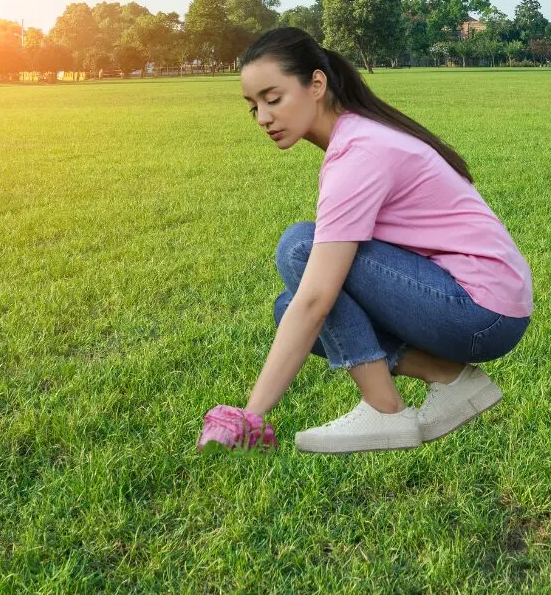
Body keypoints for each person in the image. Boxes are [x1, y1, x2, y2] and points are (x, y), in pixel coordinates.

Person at [198, 27, 533, 454]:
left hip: (480, 310)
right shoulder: (359, 135)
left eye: (273, 98)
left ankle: (384, 410)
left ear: (316, 84)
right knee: (287, 309)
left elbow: (318, 295)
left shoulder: (359, 152)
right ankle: (450, 379)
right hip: (479, 304)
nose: (263, 117)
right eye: (253, 107)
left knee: (300, 247)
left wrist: (252, 413)